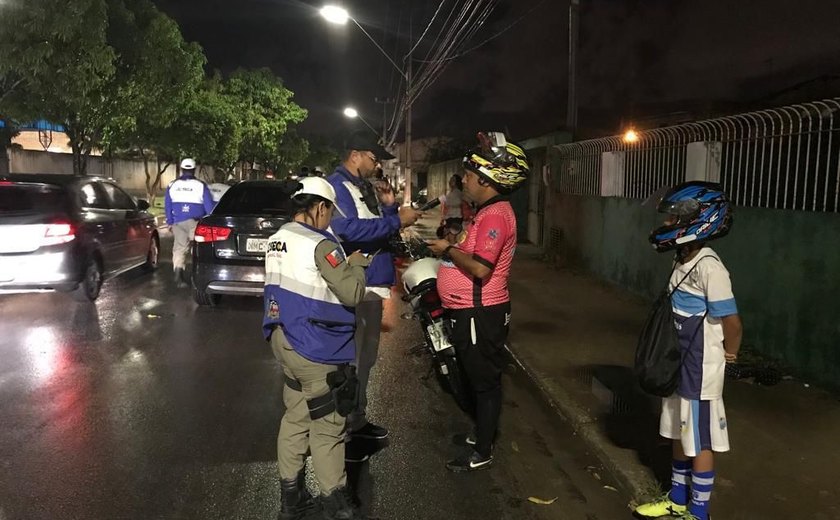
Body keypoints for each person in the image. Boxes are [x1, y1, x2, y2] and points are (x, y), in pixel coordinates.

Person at [263, 177, 370, 520]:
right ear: (320, 207)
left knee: (295, 418)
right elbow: (352, 294)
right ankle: (335, 503)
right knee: (329, 427)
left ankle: (291, 501)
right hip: (316, 348)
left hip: (283, 340)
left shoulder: (277, 238)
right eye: (329, 212)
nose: (329, 220)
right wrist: (356, 264)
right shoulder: (322, 245)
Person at [634, 181, 742, 520]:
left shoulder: (711, 267)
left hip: (700, 367)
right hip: (677, 361)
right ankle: (677, 499)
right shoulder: (684, 257)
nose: (667, 224)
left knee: (701, 441)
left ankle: (699, 511)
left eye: (673, 219)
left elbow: (732, 323)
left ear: (697, 219)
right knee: (679, 432)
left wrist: (730, 357)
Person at [425, 131, 530, 472]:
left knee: (484, 381)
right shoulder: (485, 212)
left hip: (479, 312)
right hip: (468, 311)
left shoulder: (496, 215)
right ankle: (481, 433)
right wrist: (456, 242)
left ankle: (483, 449)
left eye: (470, 176)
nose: (465, 181)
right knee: (474, 376)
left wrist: (448, 249)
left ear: (488, 180)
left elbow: (481, 269)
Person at [327, 130, 422, 447]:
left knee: (365, 357)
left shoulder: (360, 187)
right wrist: (397, 221)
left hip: (372, 283)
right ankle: (345, 429)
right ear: (355, 154)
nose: (377, 164)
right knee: (353, 358)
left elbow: (371, 222)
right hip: (357, 283)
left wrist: (391, 209)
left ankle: (357, 419)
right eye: (373, 157)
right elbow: (347, 230)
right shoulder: (337, 187)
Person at [164, 158, 215, 288]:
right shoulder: (200, 185)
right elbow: (209, 206)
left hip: (178, 221)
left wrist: (170, 221)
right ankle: (197, 276)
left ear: (182, 169)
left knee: (180, 248)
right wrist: (210, 220)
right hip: (196, 222)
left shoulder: (172, 185)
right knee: (199, 248)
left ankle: (178, 276)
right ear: (194, 170)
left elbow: (168, 205)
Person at [436, 174, 464, 241]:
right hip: (450, 218)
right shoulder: (451, 192)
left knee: (452, 237)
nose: (450, 181)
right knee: (448, 236)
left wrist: (445, 200)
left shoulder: (457, 192)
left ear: (457, 182)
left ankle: (451, 250)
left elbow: (457, 202)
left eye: (453, 180)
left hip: (456, 217)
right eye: (451, 179)